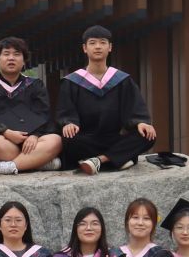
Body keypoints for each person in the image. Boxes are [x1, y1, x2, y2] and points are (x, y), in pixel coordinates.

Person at [59, 26, 157, 175]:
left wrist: (141, 122)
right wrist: (69, 122)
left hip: (113, 138)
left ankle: (99, 160)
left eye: (103, 42)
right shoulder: (72, 81)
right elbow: (65, 110)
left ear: (110, 47)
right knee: (67, 139)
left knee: (147, 136)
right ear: (85, 48)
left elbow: (134, 108)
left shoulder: (122, 80)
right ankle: (117, 159)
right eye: (92, 43)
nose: (98, 47)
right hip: (86, 139)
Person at [0, 37, 63, 175]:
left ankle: (8, 167)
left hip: (32, 141)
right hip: (3, 139)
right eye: (6, 54)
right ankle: (37, 161)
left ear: (24, 61)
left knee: (55, 140)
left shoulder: (35, 85)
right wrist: (6, 132)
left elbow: (42, 114)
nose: (11, 58)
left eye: (17, 54)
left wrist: (34, 135)